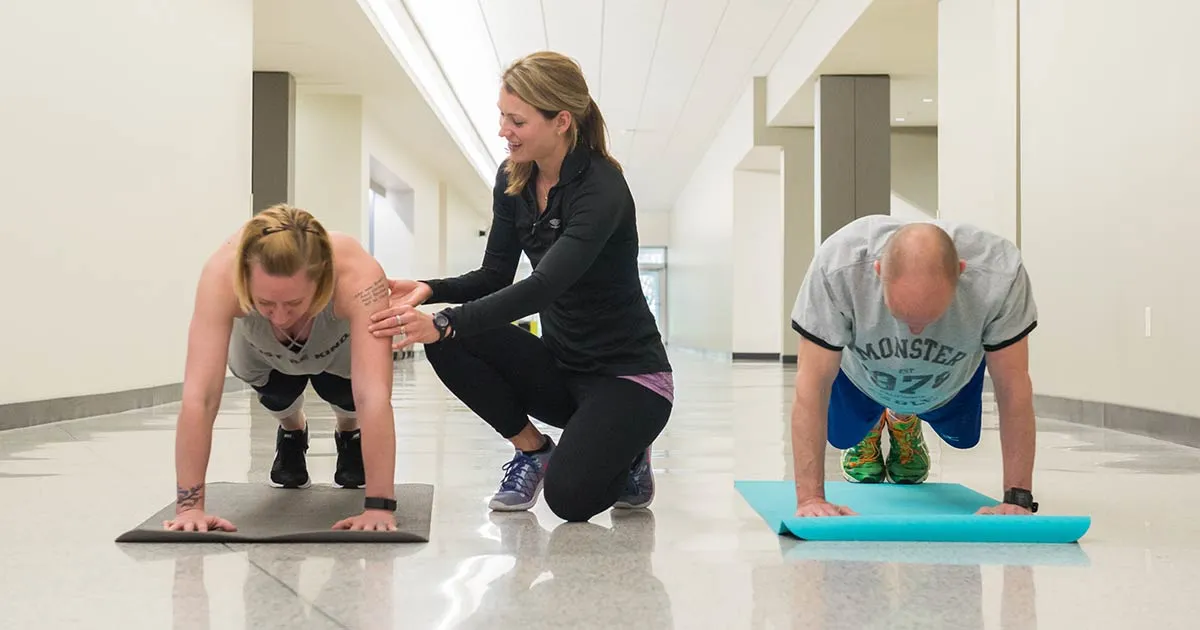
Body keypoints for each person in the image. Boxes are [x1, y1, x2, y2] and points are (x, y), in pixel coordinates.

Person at [367, 51, 673, 523]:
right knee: (447, 342)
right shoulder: (513, 179)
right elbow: (494, 276)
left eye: (516, 120)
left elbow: (545, 285)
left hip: (630, 378)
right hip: (564, 369)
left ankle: (630, 450)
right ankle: (532, 451)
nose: (502, 131)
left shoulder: (602, 188)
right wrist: (431, 288)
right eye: (502, 117)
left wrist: (447, 321)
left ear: (561, 121)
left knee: (570, 502)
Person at [163, 204, 399, 533]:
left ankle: (348, 433)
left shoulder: (358, 275)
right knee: (278, 392)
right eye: (266, 304)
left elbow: (373, 394)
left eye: (293, 303)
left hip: (334, 345)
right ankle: (292, 431)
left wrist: (379, 507)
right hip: (262, 353)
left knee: (343, 392)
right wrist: (189, 508)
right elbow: (199, 396)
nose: (281, 316)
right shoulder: (221, 273)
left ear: (323, 280)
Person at [788, 215, 1040, 517]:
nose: (915, 333)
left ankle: (901, 417)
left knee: (964, 439)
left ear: (962, 273)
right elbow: (811, 383)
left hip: (950, 381)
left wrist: (1018, 499)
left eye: (928, 320)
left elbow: (1013, 385)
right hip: (863, 379)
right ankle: (878, 422)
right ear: (877, 271)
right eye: (903, 318)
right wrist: (810, 499)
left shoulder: (1000, 274)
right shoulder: (838, 267)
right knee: (842, 435)